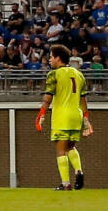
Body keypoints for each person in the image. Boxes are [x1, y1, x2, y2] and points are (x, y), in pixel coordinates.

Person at [38, 47, 89, 189]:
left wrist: (41, 114)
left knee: (61, 149)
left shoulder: (54, 74)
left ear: (58, 58)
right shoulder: (78, 74)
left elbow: (48, 97)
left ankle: (65, 183)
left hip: (62, 115)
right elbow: (83, 99)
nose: (49, 60)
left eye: (51, 57)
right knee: (70, 146)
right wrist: (86, 120)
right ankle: (79, 170)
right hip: (76, 115)